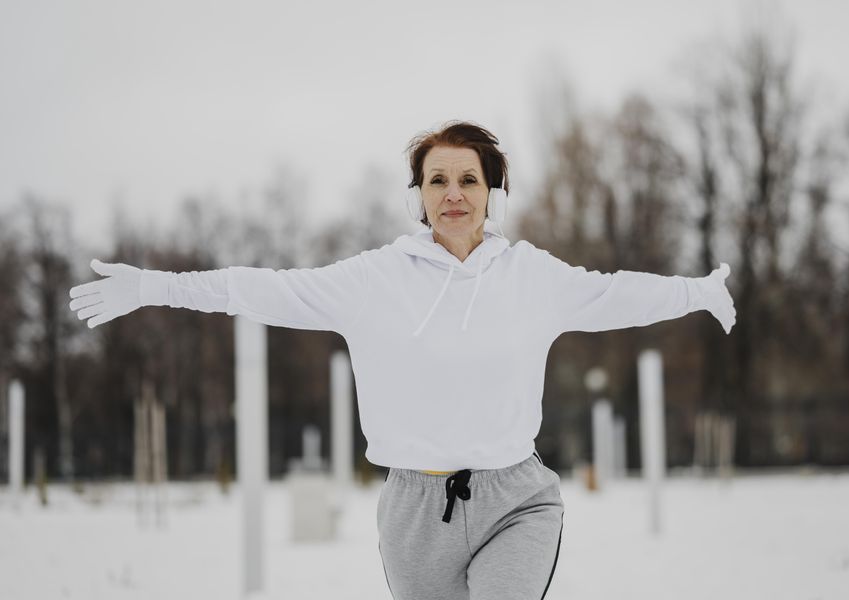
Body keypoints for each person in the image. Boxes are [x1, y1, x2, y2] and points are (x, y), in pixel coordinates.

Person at [68, 120, 736, 599]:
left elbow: (616, 293)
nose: (452, 193)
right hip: (414, 508)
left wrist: (696, 292)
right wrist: (157, 287)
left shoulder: (532, 277)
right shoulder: (373, 280)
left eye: (468, 179)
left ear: (492, 192)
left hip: (516, 499)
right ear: (417, 194)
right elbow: (263, 287)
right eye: (436, 179)